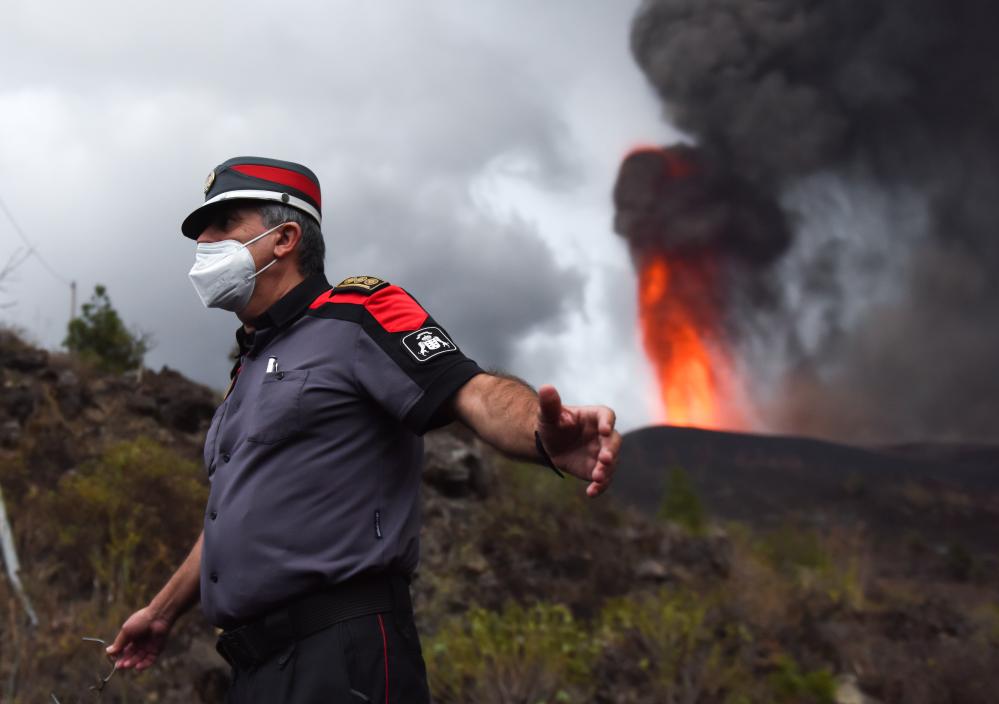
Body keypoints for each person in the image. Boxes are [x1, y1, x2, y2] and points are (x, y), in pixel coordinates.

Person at [105, 156, 621, 703]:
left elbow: (470, 390)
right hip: (253, 669)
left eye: (223, 224)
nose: (204, 242)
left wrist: (541, 433)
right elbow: (235, 514)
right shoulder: (245, 369)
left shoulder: (359, 311)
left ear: (285, 238)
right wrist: (161, 612)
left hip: (341, 655)